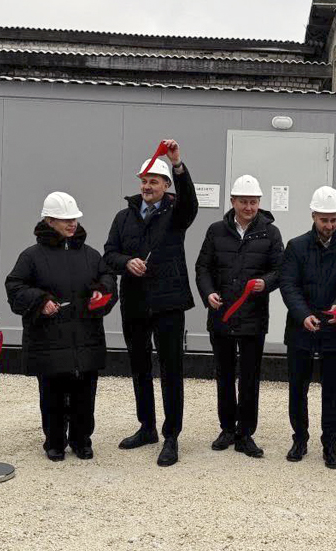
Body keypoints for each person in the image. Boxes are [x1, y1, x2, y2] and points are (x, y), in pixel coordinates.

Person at [103, 139, 198, 467]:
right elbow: (109, 254)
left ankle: (171, 436)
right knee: (140, 367)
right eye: (144, 181)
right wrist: (126, 262)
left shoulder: (176, 214)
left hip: (169, 303)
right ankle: (147, 427)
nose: (147, 186)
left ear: (166, 185)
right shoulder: (123, 217)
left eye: (153, 181)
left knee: (171, 370)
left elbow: (191, 202)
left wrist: (178, 164)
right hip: (135, 303)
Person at [5, 192, 118, 462]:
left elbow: (108, 278)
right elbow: (15, 287)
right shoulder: (31, 257)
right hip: (49, 340)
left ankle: (82, 440)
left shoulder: (91, 255)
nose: (72, 224)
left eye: (74, 219)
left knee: (84, 394)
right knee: (52, 395)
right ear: (49, 221)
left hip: (86, 337)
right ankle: (54, 442)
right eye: (65, 219)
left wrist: (102, 291)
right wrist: (40, 301)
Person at [195, 174, 283, 459]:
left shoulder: (270, 233)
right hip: (221, 314)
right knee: (224, 375)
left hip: (253, 317)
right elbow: (203, 267)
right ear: (232, 201)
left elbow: (280, 270)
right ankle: (227, 429)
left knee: (249, 377)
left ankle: (246, 433)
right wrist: (208, 293)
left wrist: (265, 283)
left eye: (253, 202)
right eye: (243, 202)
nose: (249, 207)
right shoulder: (216, 230)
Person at [279, 186, 336, 468]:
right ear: (313, 216)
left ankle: (330, 443)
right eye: (324, 220)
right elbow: (288, 284)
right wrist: (302, 314)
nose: (329, 225)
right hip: (300, 327)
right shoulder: (296, 246)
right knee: (297, 387)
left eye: (333, 220)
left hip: (333, 326)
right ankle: (299, 439)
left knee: (333, 389)